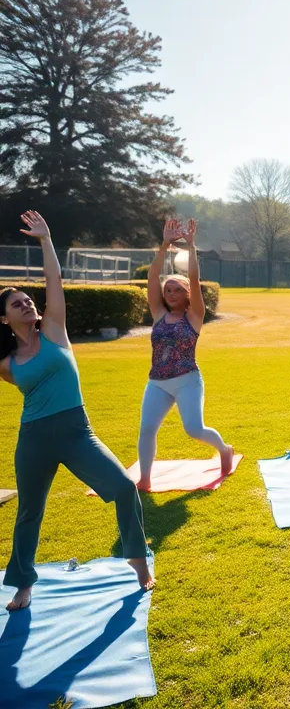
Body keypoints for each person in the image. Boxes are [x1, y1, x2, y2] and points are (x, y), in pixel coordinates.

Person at [2, 211, 153, 610]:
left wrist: (46, 240)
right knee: (29, 513)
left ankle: (138, 560)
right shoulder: (7, 363)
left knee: (123, 487)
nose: (27, 304)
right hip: (33, 437)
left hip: (76, 432)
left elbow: (53, 282)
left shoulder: (53, 329)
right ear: (4, 318)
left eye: (27, 300)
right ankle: (23, 584)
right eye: (18, 304)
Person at [137, 217, 235, 490]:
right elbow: (152, 277)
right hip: (157, 382)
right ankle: (144, 479)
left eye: (176, 290)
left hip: (187, 380)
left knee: (193, 429)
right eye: (167, 290)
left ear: (186, 294)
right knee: (146, 429)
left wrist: (191, 246)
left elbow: (194, 278)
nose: (169, 293)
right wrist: (165, 244)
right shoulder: (159, 315)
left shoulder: (194, 317)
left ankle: (224, 449)